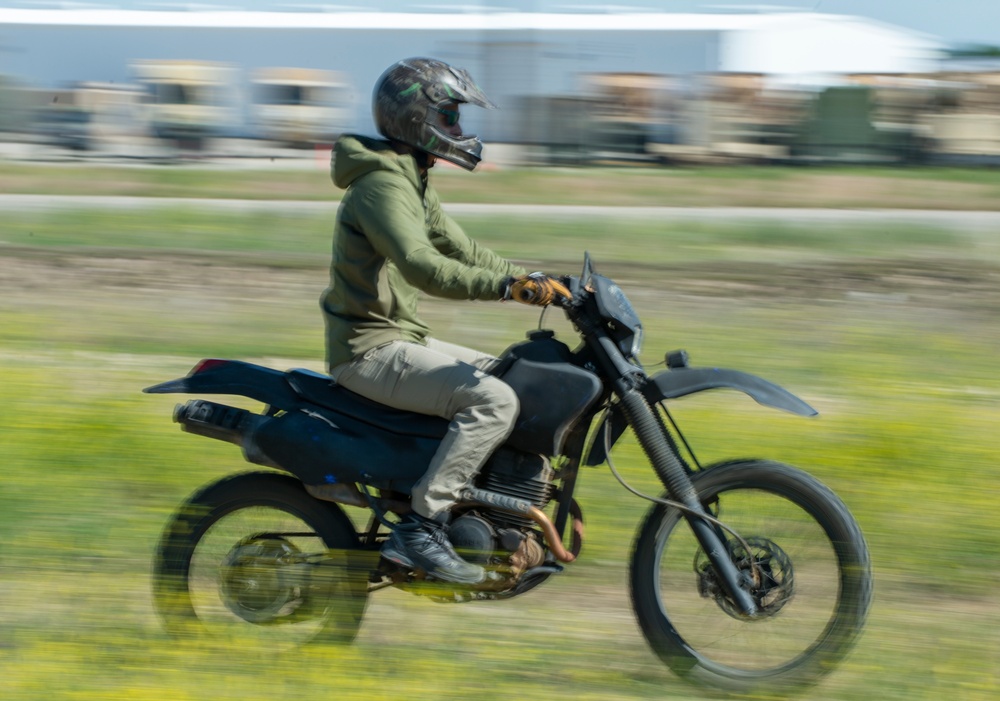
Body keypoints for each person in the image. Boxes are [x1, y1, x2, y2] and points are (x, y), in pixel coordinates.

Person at [320, 57, 568, 584]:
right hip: (367, 349)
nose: (459, 130)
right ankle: (423, 527)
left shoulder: (410, 176)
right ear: (417, 117)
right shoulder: (381, 187)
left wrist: (538, 280)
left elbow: (462, 248)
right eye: (451, 116)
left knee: (515, 377)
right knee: (493, 399)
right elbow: (424, 267)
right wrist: (506, 289)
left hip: (397, 338)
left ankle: (501, 518)